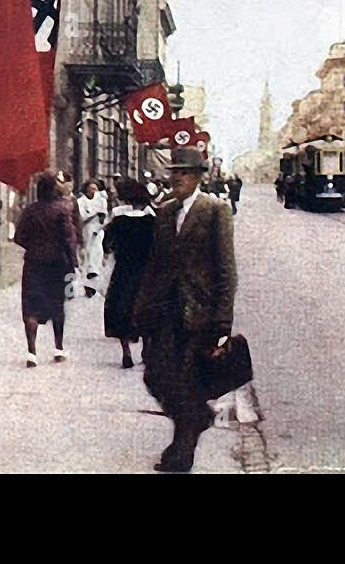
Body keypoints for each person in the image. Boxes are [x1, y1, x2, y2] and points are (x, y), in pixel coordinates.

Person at [131, 147, 237, 473]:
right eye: (174, 171)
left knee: (187, 382)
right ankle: (198, 419)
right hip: (164, 311)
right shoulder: (164, 212)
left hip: (198, 313)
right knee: (156, 376)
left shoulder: (215, 210)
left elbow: (226, 269)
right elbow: (154, 265)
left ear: (198, 177)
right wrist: (140, 309)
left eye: (183, 172)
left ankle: (182, 452)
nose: (176, 177)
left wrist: (222, 320)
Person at [13, 172, 79, 367]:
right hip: (57, 264)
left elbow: (19, 237)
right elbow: (69, 238)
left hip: (33, 263)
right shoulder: (62, 209)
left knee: (31, 307)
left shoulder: (30, 210)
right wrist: (73, 262)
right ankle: (58, 348)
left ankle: (32, 352)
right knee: (58, 304)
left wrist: (33, 246)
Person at [103, 178, 156, 369]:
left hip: (123, 270)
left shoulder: (118, 218)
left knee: (121, 308)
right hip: (146, 271)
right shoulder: (152, 219)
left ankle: (126, 352)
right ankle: (146, 351)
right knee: (146, 310)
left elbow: (108, 244)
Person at [77, 180, 109, 297]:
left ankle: (93, 284)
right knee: (87, 257)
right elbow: (81, 217)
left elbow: (105, 218)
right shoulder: (81, 201)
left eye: (95, 189)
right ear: (86, 189)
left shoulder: (101, 201)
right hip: (86, 231)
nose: (93, 191)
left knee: (96, 258)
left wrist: (102, 217)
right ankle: (87, 285)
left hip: (98, 232)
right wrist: (94, 214)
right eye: (91, 189)